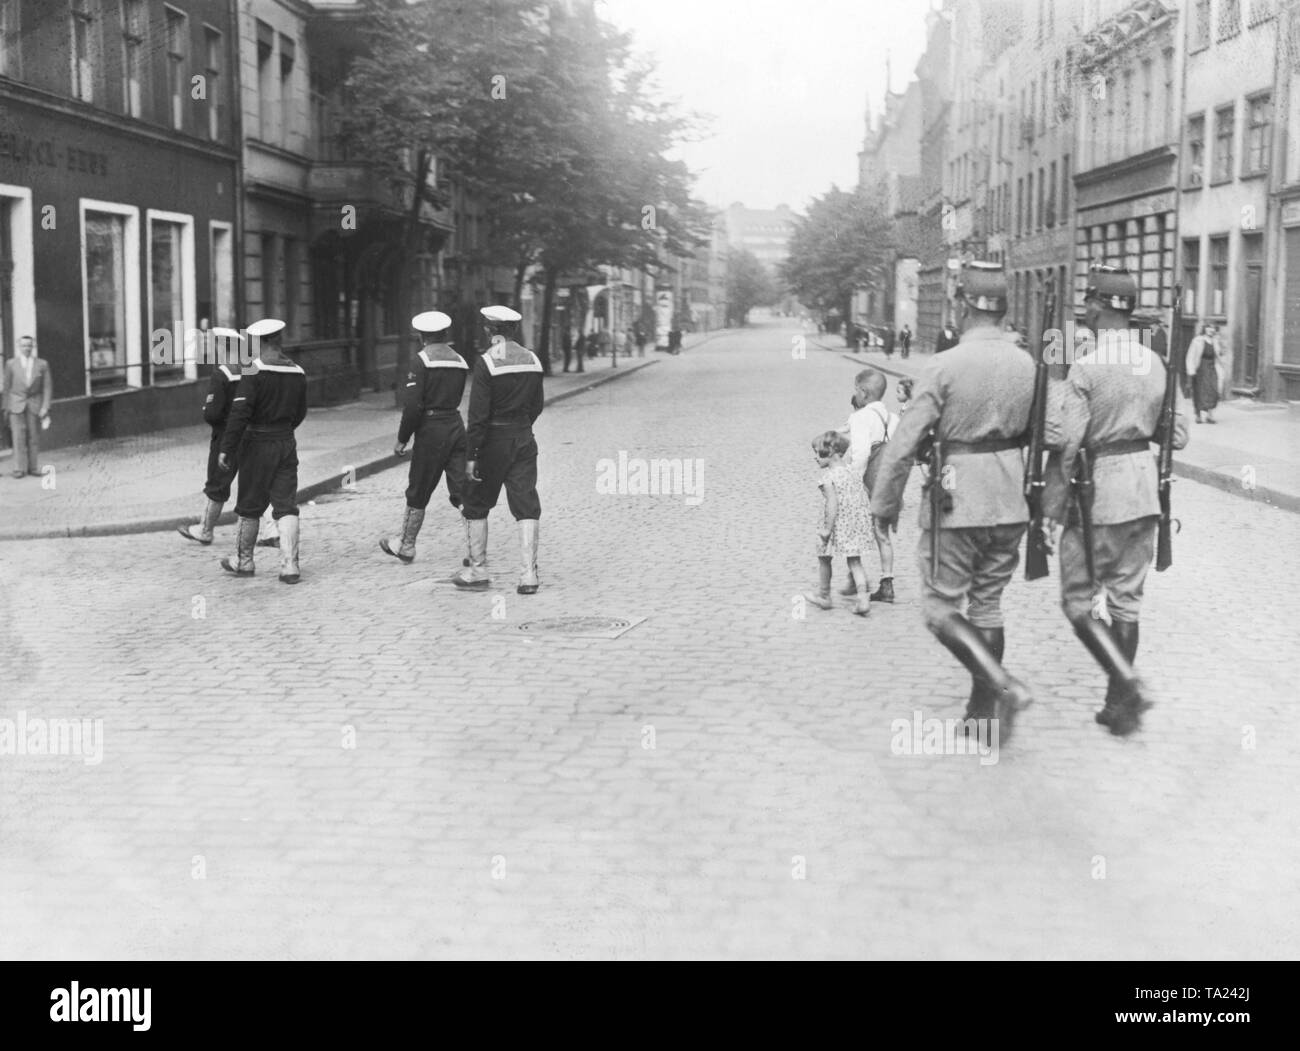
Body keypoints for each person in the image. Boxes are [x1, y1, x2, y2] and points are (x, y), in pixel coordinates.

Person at [870, 261, 1036, 740]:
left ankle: (1002, 685)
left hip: (956, 501)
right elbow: (1046, 434)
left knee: (940, 608)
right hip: (1010, 500)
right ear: (1004, 309)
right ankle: (982, 716)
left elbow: (903, 442)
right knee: (987, 605)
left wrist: (884, 506)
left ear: (963, 306)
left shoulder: (943, 365)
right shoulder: (1027, 364)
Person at [1044, 266, 1190, 736]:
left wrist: (1050, 506)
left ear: (1102, 306)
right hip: (1145, 492)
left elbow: (1069, 444)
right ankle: (1118, 706)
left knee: (1077, 602)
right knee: (1127, 602)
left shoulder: (1086, 366)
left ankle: (1127, 684)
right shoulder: (1156, 363)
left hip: (1097, 496)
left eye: (1089, 302)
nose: (1085, 310)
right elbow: (1179, 436)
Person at [454, 305, 545, 595]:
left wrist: (471, 456)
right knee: (526, 503)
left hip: (493, 442)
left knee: (476, 502)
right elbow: (537, 405)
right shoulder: (532, 359)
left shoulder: (487, 362)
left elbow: (478, 416)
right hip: (523, 438)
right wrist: (522, 426)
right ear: (514, 330)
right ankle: (528, 574)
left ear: (490, 331)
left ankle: (477, 570)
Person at [218, 318, 308, 583]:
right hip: (286, 442)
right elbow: (300, 412)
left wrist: (227, 447)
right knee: (286, 504)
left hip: (257, 444)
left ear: (260, 342)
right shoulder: (297, 371)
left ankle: (244, 561)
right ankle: (290, 565)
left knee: (249, 505)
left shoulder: (253, 370)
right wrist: (284, 429)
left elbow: (240, 412)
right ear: (278, 340)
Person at [380, 311, 469, 565]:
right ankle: (475, 548)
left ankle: (406, 545)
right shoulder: (460, 361)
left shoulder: (421, 361)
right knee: (462, 490)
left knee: (419, 487)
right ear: (445, 334)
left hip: (431, 430)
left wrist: (402, 438)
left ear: (422, 337)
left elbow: (413, 407)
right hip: (455, 424)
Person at [178, 328, 245, 544]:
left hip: (225, 437)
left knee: (218, 483)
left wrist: (206, 411)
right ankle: (271, 530)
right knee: (254, 483)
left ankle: (205, 529)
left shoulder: (221, 374)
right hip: (248, 434)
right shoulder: (250, 371)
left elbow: (213, 413)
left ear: (222, 347)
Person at [840, 369, 900, 604]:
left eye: (856, 389)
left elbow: (862, 453)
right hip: (887, 484)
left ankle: (855, 578)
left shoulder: (861, 417)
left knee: (852, 529)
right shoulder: (893, 418)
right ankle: (887, 584)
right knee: (881, 534)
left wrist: (851, 482)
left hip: (866, 483)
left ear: (863, 392)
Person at [806, 430, 871, 616]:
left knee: (824, 557)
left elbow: (832, 505)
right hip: (855, 522)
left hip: (836, 523)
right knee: (855, 561)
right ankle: (863, 598)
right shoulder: (852, 471)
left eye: (819, 453)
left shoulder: (829, 478)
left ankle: (824, 595)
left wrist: (827, 529)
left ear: (831, 453)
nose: (815, 457)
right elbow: (864, 492)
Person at [4, 335, 52, 478]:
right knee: (18, 436)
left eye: (29, 345)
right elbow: (7, 388)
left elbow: (47, 387)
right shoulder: (11, 364)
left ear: (33, 346)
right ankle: (19, 468)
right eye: (24, 345)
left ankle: (33, 467)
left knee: (33, 437)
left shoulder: (42, 364)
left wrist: (45, 406)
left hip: (34, 404)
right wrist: (6, 408)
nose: (27, 348)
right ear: (19, 347)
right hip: (16, 404)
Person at [1187, 322, 1226, 424]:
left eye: (1213, 328)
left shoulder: (1215, 341)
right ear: (1204, 329)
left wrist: (1220, 343)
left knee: (1213, 390)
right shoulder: (1197, 340)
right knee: (1199, 391)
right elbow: (1191, 355)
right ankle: (1198, 415)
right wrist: (1191, 370)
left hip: (1212, 368)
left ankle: (1209, 415)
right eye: (1209, 327)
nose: (1211, 330)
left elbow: (1221, 354)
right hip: (1200, 368)